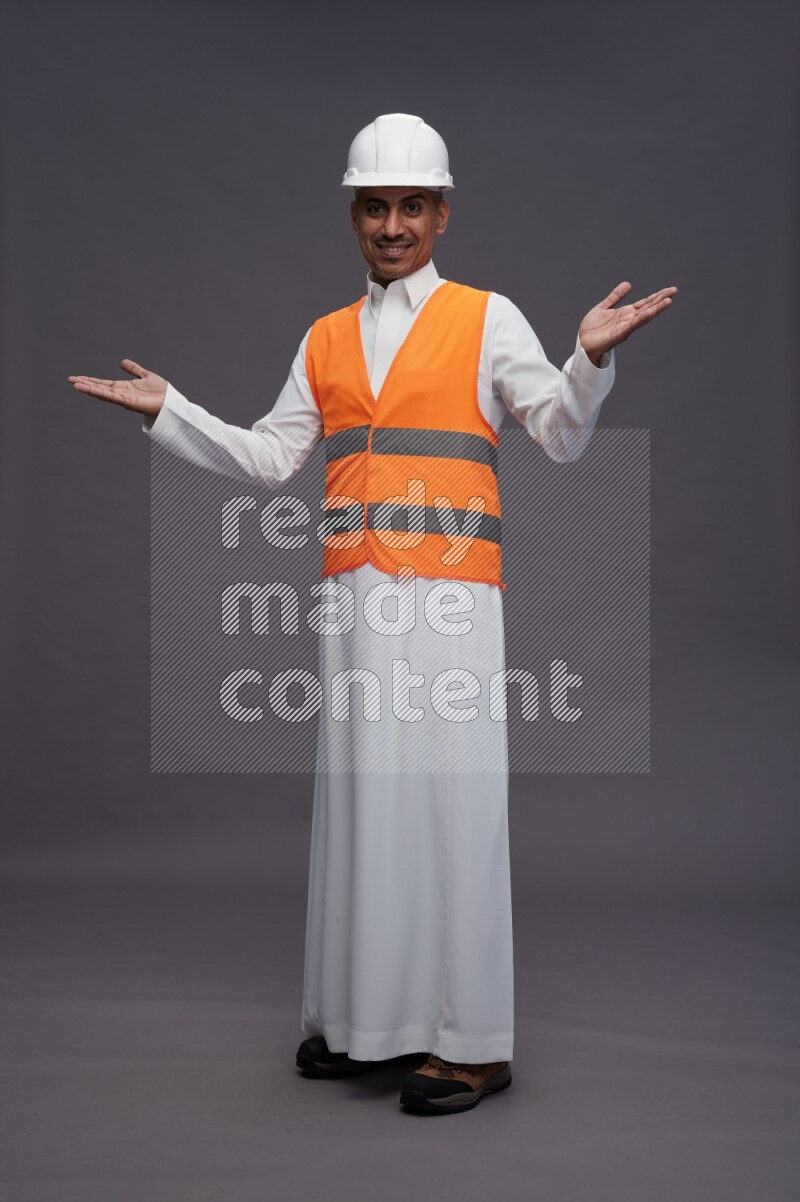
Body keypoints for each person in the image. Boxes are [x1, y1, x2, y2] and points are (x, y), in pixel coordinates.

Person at [68, 113, 676, 1115]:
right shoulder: (324, 338)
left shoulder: (487, 318)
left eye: (411, 206)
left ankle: (472, 1044)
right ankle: (367, 1025)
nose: (392, 225)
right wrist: (169, 411)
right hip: (353, 603)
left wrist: (589, 362)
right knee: (365, 808)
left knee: (452, 807)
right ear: (354, 215)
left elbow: (561, 436)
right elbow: (272, 456)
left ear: (441, 214)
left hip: (450, 603)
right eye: (375, 207)